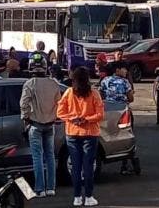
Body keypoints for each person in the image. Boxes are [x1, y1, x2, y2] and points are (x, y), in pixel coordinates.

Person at [57, 67, 104, 207]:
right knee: (88, 166)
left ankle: (77, 197)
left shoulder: (69, 92)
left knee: (75, 167)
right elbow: (100, 114)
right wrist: (87, 119)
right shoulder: (94, 93)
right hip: (90, 133)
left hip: (72, 132)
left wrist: (72, 118)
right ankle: (89, 196)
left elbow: (60, 112)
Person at [20, 60, 61, 198]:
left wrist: (25, 118)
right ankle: (51, 188)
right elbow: (59, 103)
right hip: (50, 125)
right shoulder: (54, 83)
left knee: (37, 157)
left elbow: (24, 103)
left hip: (35, 125)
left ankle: (40, 190)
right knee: (50, 156)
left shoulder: (29, 84)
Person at [99, 62, 135, 174]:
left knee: (108, 134)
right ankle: (125, 164)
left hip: (108, 111)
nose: (126, 72)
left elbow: (100, 95)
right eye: (124, 69)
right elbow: (131, 98)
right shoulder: (125, 82)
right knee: (125, 135)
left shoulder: (105, 80)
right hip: (122, 112)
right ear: (117, 70)